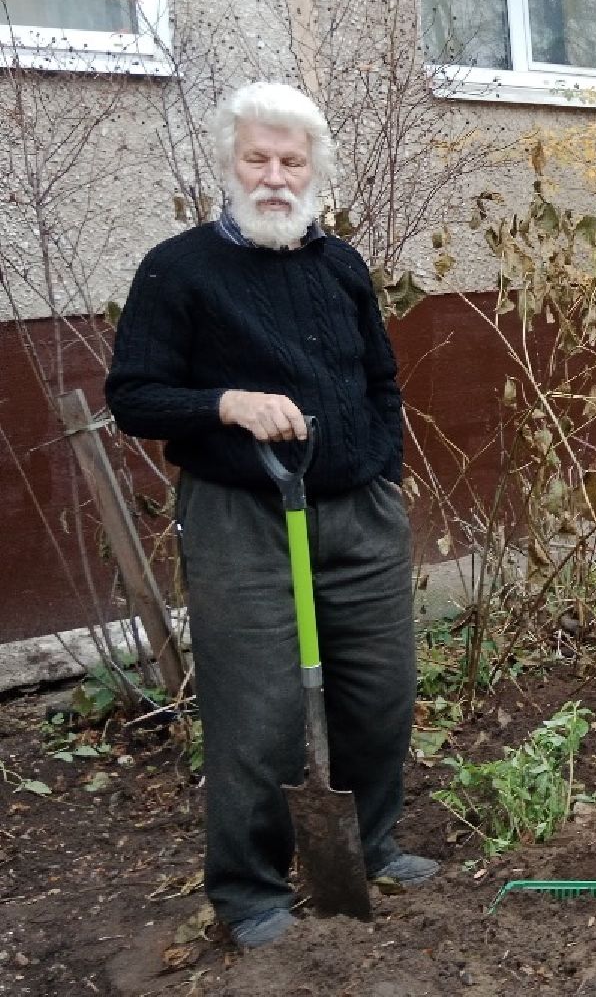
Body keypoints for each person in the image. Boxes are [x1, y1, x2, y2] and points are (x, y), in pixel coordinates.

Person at [105, 81, 435, 949]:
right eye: (259, 158)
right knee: (259, 714)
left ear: (313, 168)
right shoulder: (177, 270)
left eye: (292, 160)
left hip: (357, 513)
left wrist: (382, 472)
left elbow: (381, 380)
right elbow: (134, 396)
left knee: (379, 694)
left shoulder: (340, 266)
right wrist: (226, 403)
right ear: (230, 162)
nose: (276, 177)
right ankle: (250, 893)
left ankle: (369, 846)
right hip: (242, 517)